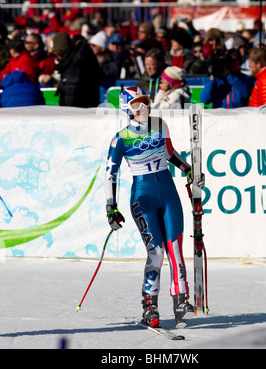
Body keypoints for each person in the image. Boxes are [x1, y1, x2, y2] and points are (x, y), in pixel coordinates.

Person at [105, 86, 195, 328]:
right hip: (142, 195)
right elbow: (110, 174)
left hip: (167, 191)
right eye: (136, 104)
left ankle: (180, 300)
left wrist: (188, 169)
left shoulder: (159, 124)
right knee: (156, 251)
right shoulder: (120, 137)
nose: (142, 108)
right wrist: (110, 208)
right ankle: (150, 305)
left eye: (145, 102)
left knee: (175, 247)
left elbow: (168, 153)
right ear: (127, 109)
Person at [52, 31, 101, 107]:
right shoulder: (77, 58)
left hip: (78, 113)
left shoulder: (74, 66)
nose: (57, 58)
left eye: (57, 54)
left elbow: (71, 97)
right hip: (86, 109)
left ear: (61, 52)